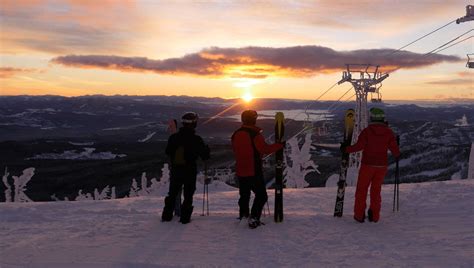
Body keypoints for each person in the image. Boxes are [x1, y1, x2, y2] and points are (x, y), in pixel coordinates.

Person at [341, 107, 400, 223]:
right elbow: (395, 152)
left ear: (371, 118)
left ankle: (359, 216)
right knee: (376, 191)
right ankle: (374, 216)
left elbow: (359, 147)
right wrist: (397, 150)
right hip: (382, 166)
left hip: (367, 165)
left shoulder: (367, 132)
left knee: (362, 190)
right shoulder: (388, 132)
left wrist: (345, 149)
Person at [231, 110, 284, 228]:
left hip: (240, 169)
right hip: (254, 169)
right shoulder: (255, 135)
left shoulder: (236, 134)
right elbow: (264, 149)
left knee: (244, 195)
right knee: (261, 195)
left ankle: (243, 216)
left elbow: (235, 149)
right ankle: (254, 218)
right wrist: (279, 146)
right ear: (253, 120)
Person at [162, 112, 210, 224]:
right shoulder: (196, 139)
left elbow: (168, 151)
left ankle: (166, 216)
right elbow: (205, 156)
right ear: (194, 123)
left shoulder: (174, 138)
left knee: (172, 193)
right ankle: (184, 218)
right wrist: (206, 150)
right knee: (188, 195)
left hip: (176, 170)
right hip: (189, 170)